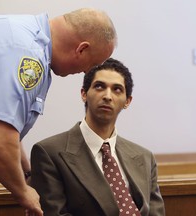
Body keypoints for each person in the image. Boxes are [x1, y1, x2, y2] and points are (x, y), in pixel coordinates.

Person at [0, 8, 117, 216]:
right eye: (93, 64)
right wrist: (23, 192)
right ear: (81, 49)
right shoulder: (26, 54)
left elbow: (7, 127)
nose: (87, 72)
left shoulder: (21, 35)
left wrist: (27, 174)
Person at [30, 58, 165, 216]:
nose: (108, 96)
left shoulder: (144, 157)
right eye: (100, 86)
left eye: (117, 89)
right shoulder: (49, 152)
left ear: (127, 101)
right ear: (84, 94)